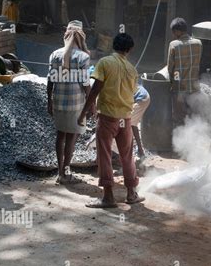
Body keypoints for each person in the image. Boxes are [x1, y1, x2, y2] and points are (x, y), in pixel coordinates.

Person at [77, 33, 144, 208]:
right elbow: (133, 93)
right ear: (129, 50)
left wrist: (84, 112)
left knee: (105, 155)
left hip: (108, 117)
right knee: (127, 156)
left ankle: (108, 197)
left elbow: (95, 89)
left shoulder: (105, 63)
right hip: (125, 119)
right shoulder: (132, 69)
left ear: (113, 46)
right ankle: (131, 194)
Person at [47, 20, 91, 184]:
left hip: (58, 100)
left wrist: (49, 100)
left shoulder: (54, 54)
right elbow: (85, 83)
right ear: (81, 37)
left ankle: (60, 173)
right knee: (72, 137)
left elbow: (50, 80)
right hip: (76, 103)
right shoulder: (83, 57)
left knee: (60, 136)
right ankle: (66, 172)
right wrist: (91, 104)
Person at [167, 17, 202, 127]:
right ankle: (194, 138)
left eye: (173, 32)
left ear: (177, 31)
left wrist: (172, 84)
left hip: (180, 89)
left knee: (179, 117)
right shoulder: (198, 43)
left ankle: (179, 140)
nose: (173, 34)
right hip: (195, 88)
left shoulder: (174, 45)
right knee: (192, 116)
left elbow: (170, 68)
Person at [131, 81, 151, 159]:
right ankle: (140, 150)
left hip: (141, 98)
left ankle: (131, 152)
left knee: (125, 123)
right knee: (132, 124)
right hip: (144, 97)